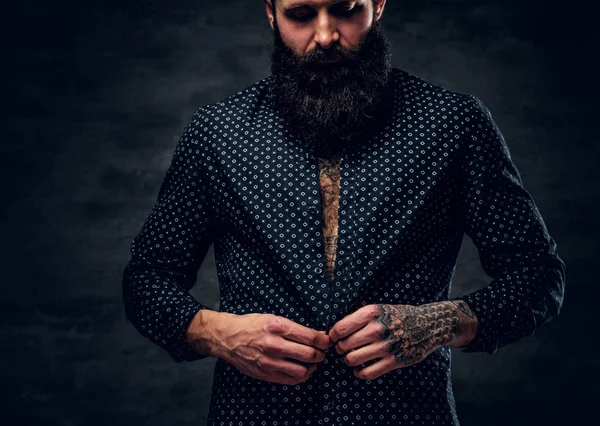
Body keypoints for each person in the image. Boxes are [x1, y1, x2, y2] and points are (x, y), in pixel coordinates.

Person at [121, 0, 566, 424]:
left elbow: (538, 275)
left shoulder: (455, 123)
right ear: (270, 13)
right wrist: (216, 333)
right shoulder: (216, 133)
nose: (326, 35)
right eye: (300, 14)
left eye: (346, 9)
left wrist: (438, 323)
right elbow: (147, 278)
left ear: (379, 4)